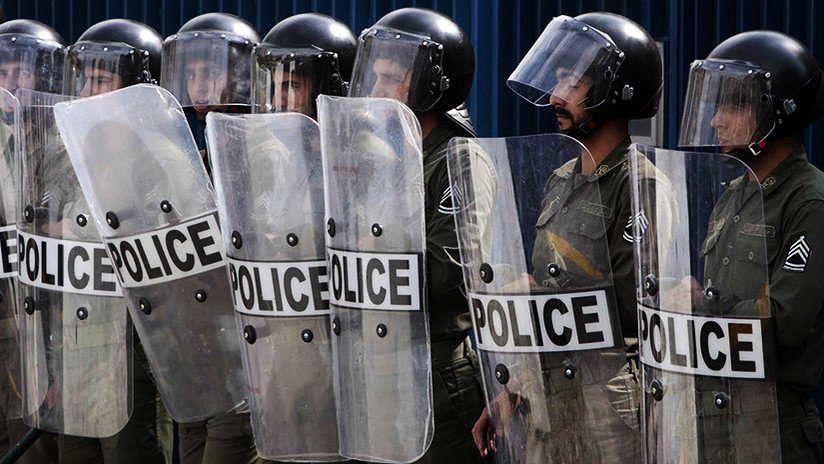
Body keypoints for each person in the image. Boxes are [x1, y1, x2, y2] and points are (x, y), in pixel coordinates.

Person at [471, 12, 663, 461]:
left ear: (616, 90)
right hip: (547, 392)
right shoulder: (561, 178)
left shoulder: (641, 184)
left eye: (572, 84)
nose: (556, 96)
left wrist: (537, 291)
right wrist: (513, 387)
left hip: (608, 397)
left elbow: (634, 305)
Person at [678, 30, 824, 463]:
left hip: (772, 427)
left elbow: (781, 324)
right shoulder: (735, 192)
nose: (715, 120)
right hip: (711, 417)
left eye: (733, 105)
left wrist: (700, 303)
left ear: (778, 110)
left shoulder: (809, 201)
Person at [345, 7, 484, 463]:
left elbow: (452, 268)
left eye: (391, 79)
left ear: (430, 84)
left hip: (436, 367)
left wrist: (371, 253)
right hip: (381, 361)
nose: (376, 91)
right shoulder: (390, 155)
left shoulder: (457, 159)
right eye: (375, 76)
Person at [161, 12, 261, 464]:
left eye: (211, 73)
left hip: (244, 359)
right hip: (199, 355)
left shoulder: (262, 153)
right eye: (192, 74)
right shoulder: (201, 156)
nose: (199, 85)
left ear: (240, 75)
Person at [0, 18, 64, 464]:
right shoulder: (6, 144)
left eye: (23, 72)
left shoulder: (67, 144)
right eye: (3, 72)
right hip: (12, 327)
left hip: (61, 326)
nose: (12, 84)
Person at [252, 12, 356, 118]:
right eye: (274, 86)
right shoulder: (269, 134)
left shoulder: (358, 134)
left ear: (332, 92)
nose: (276, 103)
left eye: (292, 85)